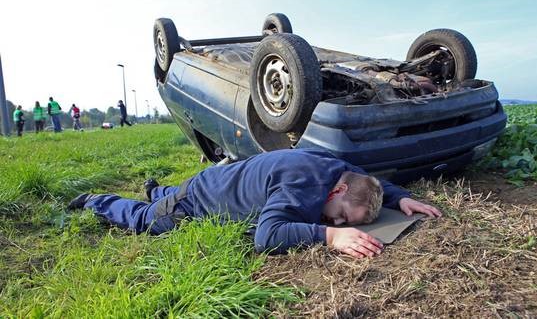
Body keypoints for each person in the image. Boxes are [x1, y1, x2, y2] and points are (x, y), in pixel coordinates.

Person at [69, 149, 441, 258]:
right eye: (343, 217)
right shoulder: (302, 190)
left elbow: (367, 180)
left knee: (170, 194)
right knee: (145, 221)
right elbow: (267, 236)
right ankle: (96, 200)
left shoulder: (335, 169)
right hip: (197, 203)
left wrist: (401, 198)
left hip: (213, 181)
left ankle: (156, 189)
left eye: (346, 223)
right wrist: (329, 236)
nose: (345, 224)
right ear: (336, 193)